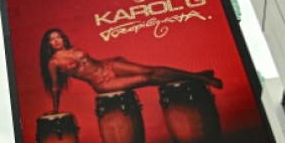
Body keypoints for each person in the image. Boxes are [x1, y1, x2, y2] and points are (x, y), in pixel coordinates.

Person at [40, 28, 222, 113]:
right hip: (102, 82)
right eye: (52, 39)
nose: (56, 41)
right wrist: (55, 108)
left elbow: (93, 61)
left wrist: (113, 61)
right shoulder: (54, 63)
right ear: (49, 44)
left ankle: (199, 77)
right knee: (144, 78)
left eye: (58, 37)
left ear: (63, 38)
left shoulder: (74, 48)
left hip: (108, 65)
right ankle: (200, 77)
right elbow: (55, 87)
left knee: (150, 70)